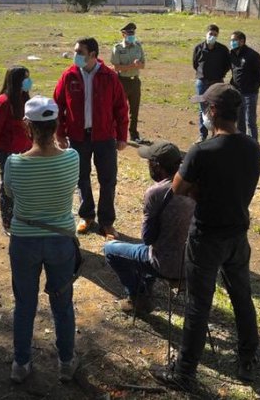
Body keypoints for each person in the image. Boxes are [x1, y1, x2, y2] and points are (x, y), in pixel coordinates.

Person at [153, 84, 260, 391]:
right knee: (242, 296)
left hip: (207, 236)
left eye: (205, 107)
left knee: (199, 305)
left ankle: (184, 371)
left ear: (212, 111)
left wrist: (201, 191)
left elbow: (177, 188)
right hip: (237, 233)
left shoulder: (202, 151)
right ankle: (248, 358)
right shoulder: (252, 147)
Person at [2, 96, 81, 384]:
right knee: (62, 304)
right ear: (56, 124)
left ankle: (21, 364)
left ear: (27, 126)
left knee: (24, 303)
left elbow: (10, 194)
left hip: (24, 240)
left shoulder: (14, 163)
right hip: (61, 241)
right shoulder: (73, 158)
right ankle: (66, 361)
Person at [102, 140, 194, 314]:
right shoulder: (195, 186)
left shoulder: (157, 192)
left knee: (110, 249)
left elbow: (148, 238)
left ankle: (137, 296)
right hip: (195, 262)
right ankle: (145, 286)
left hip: (166, 264)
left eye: (149, 162)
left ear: (157, 166)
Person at [53, 37, 129, 239]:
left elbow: (121, 108)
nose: (75, 56)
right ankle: (86, 216)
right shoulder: (69, 76)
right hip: (78, 137)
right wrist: (59, 133)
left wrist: (122, 136)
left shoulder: (109, 77)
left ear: (93, 55)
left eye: (80, 52)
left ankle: (107, 222)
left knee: (108, 179)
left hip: (104, 137)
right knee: (81, 178)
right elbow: (58, 105)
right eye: (75, 51)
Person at [0, 66, 33, 233]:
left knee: (25, 185)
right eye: (25, 79)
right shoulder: (2, 103)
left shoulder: (26, 100)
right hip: (8, 151)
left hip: (27, 149)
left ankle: (23, 217)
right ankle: (8, 221)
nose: (29, 82)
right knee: (8, 187)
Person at [191, 24, 230, 142]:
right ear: (206, 34)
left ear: (218, 36)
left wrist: (220, 76)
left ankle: (216, 134)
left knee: (216, 108)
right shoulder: (198, 48)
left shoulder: (223, 50)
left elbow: (227, 65)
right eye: (210, 34)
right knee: (202, 108)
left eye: (215, 35)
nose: (212, 36)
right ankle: (202, 135)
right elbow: (195, 64)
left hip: (216, 83)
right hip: (202, 82)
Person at [110, 22, 146, 143]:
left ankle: (134, 134)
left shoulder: (138, 46)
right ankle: (117, 134)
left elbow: (143, 65)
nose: (132, 35)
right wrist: (132, 65)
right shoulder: (118, 48)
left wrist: (139, 64)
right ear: (123, 34)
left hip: (135, 81)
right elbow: (116, 67)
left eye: (133, 33)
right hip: (122, 82)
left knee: (134, 110)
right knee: (120, 109)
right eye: (129, 33)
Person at [228, 31, 260, 141]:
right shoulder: (232, 54)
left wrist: (255, 86)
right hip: (236, 92)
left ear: (242, 41)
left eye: (234, 40)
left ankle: (254, 144)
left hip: (250, 93)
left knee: (250, 121)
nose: (232, 42)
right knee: (239, 120)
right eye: (231, 40)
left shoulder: (252, 55)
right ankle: (242, 143)